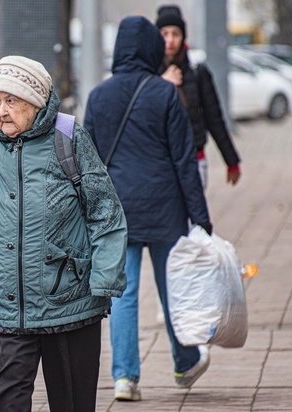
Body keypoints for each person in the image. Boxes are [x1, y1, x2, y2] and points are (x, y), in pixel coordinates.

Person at [0, 55, 127, 412]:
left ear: (36, 102)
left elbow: (105, 211)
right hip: (10, 299)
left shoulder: (68, 136)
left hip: (68, 298)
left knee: (73, 403)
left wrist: (105, 280)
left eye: (11, 101)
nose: (1, 110)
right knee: (8, 400)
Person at [84, 16, 212, 401]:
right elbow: (184, 161)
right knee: (172, 287)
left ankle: (124, 377)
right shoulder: (164, 93)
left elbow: (87, 161)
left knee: (123, 294)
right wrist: (201, 218)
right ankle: (184, 361)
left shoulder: (99, 96)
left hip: (117, 210)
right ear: (153, 49)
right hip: (165, 209)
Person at [156, 5, 241, 188]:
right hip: (161, 164)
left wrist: (231, 160)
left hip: (195, 159)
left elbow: (214, 118)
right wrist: (161, 84)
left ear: (183, 37)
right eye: (164, 34)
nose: (170, 40)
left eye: (175, 34)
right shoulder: (149, 74)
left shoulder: (197, 72)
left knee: (194, 215)